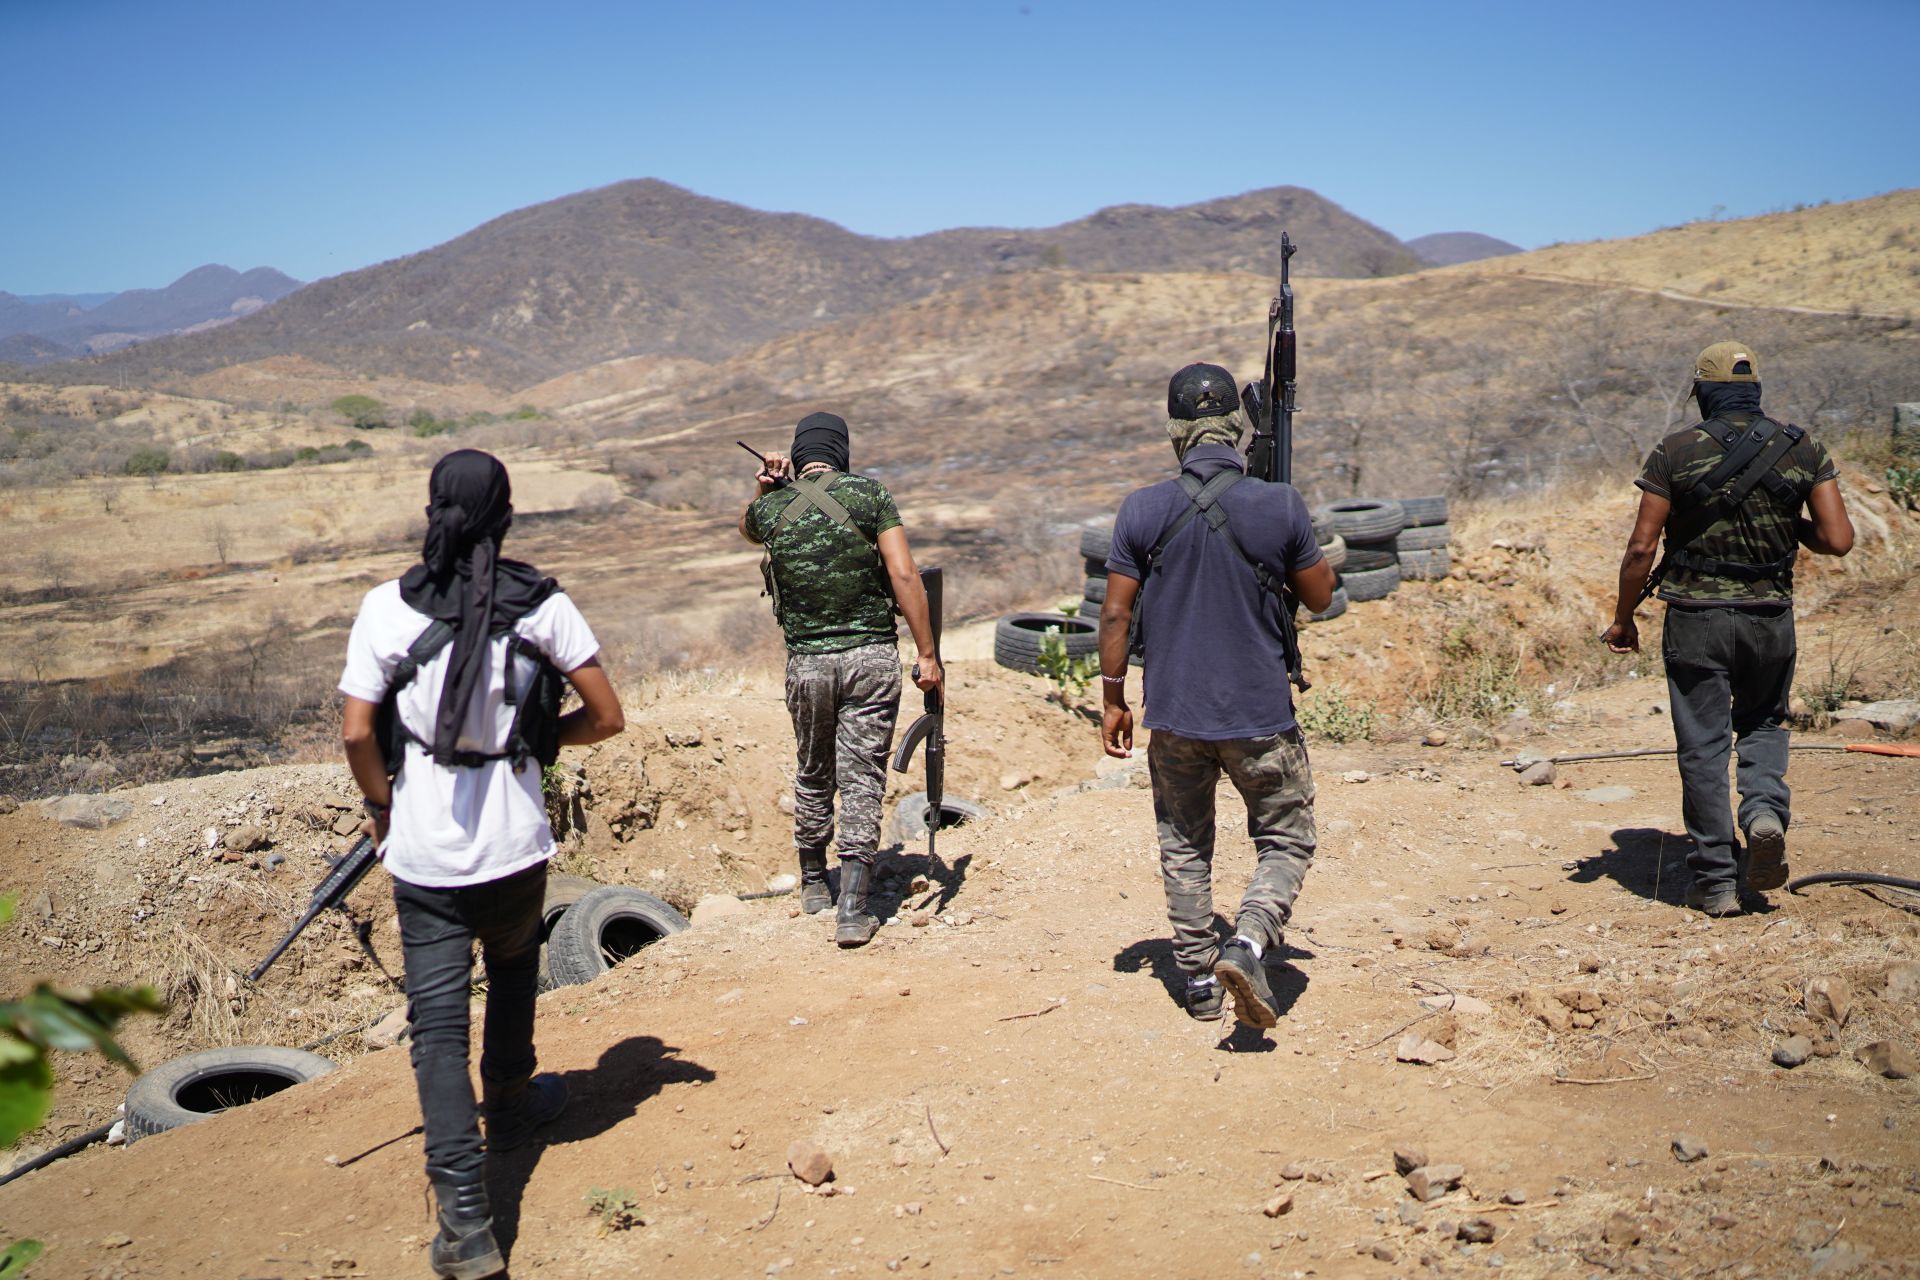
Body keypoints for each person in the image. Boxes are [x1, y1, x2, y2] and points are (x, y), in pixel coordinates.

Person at [339, 449, 625, 1280]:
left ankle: (465, 1222)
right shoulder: (543, 604)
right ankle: (508, 1099)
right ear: (506, 513)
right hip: (515, 845)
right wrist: (538, 742)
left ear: (432, 510)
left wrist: (385, 804)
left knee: (436, 1027)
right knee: (511, 968)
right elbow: (606, 718)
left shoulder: (386, 609)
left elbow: (359, 733)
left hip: (424, 855)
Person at [1098, 364, 1337, 1027]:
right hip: (1260, 715)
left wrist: (1114, 698)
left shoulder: (1142, 510)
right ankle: (1251, 941)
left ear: (1175, 433)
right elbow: (1321, 596)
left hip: (1174, 714)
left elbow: (1116, 616)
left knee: (1184, 846)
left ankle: (1200, 981)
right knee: (1286, 843)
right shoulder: (1279, 503)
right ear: (1237, 426)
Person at [1603, 341, 1853, 916]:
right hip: (1771, 617)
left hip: (1696, 620)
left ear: (1703, 394)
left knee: (1703, 745)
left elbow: (1642, 546)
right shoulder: (1803, 447)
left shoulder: (1675, 450)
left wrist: (1623, 617)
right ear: (1754, 391)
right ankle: (1763, 813)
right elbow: (1838, 540)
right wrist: (1792, 525)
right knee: (1765, 723)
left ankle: (1716, 878)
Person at [739, 412, 943, 947]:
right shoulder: (870, 496)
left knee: (814, 769)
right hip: (872, 658)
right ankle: (853, 908)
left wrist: (765, 487)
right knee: (861, 778)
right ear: (842, 451)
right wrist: (927, 653)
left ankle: (812, 881)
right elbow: (903, 574)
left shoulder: (770, 508)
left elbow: (746, 528)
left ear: (797, 453)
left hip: (806, 664)